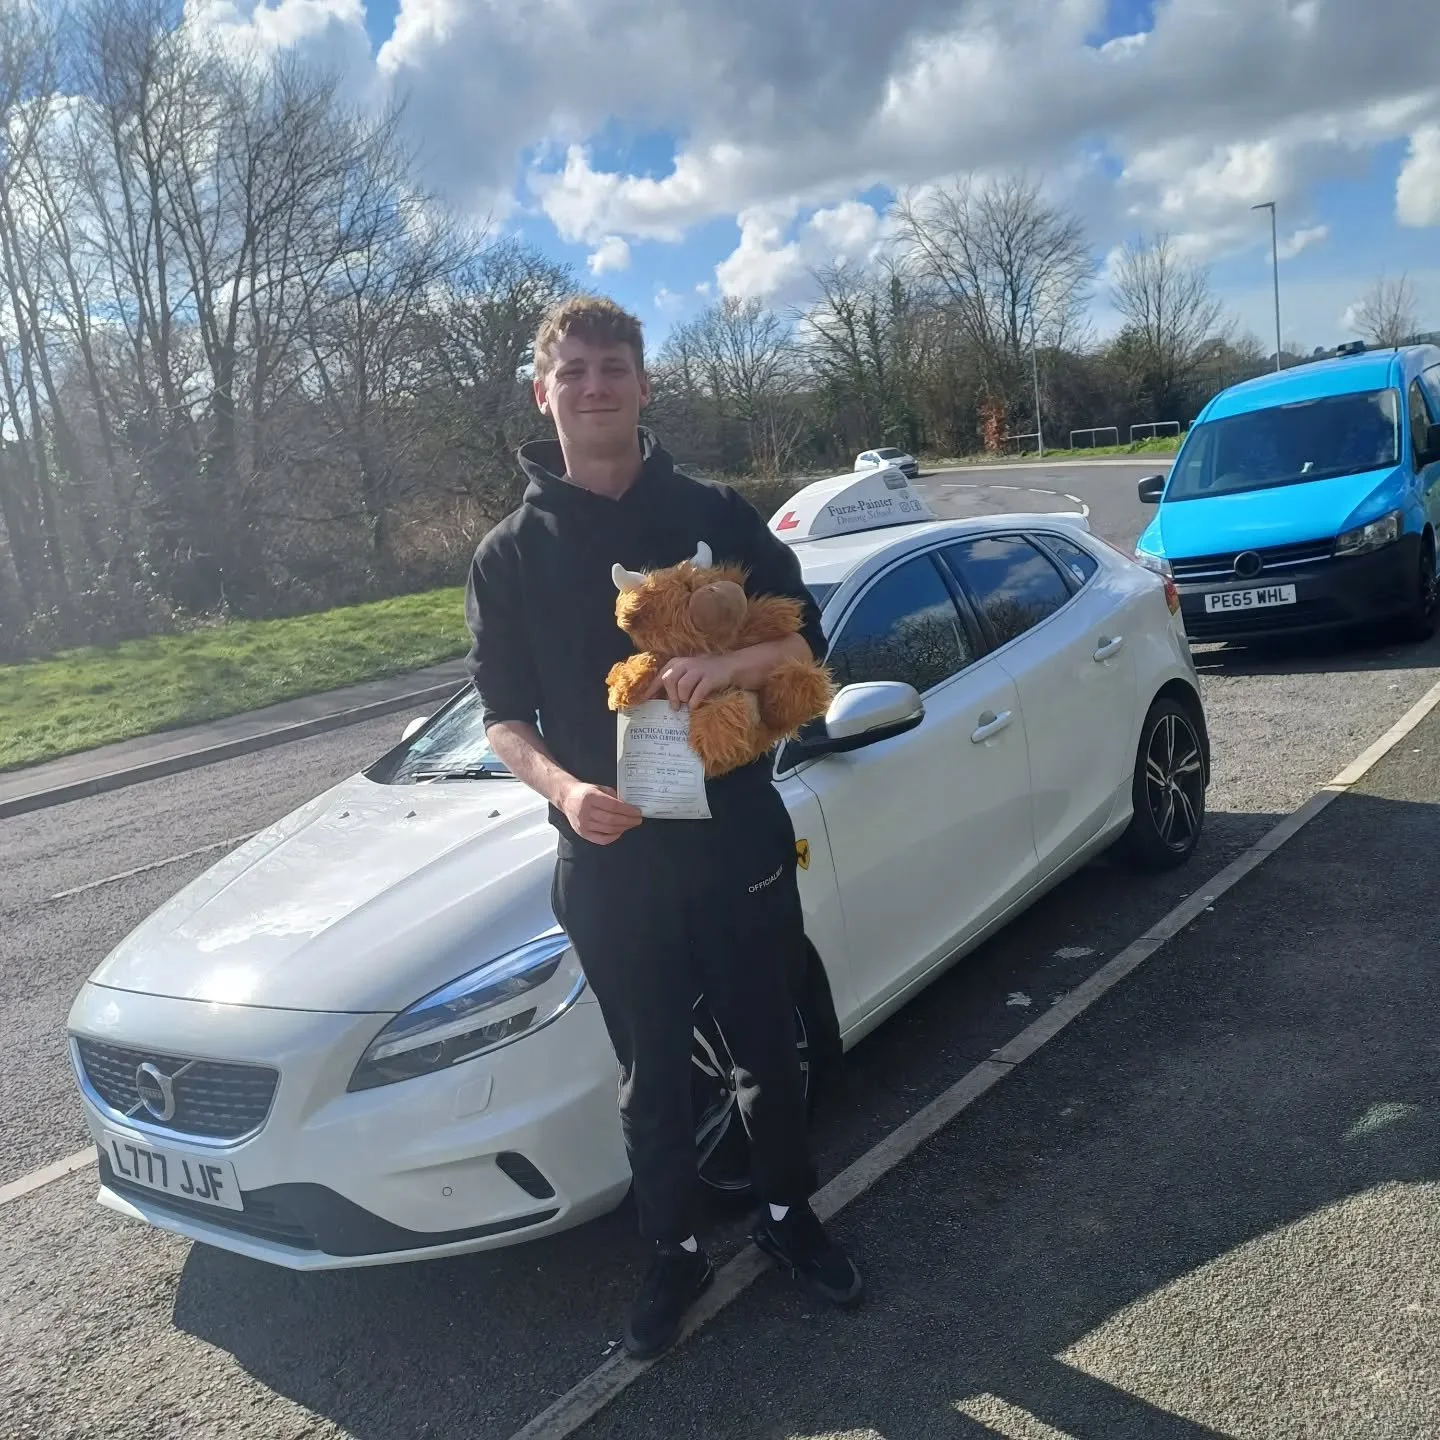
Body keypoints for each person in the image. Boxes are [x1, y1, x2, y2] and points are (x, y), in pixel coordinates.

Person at [462, 294, 862, 1360]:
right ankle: (674, 1252)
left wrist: (729, 667)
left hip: (735, 837)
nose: (594, 387)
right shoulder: (508, 554)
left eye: (613, 369)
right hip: (609, 857)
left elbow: (804, 645)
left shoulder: (717, 511)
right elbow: (502, 717)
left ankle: (789, 1216)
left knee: (767, 1044)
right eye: (574, 371)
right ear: (543, 393)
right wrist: (563, 792)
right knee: (652, 1073)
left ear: (643, 385)